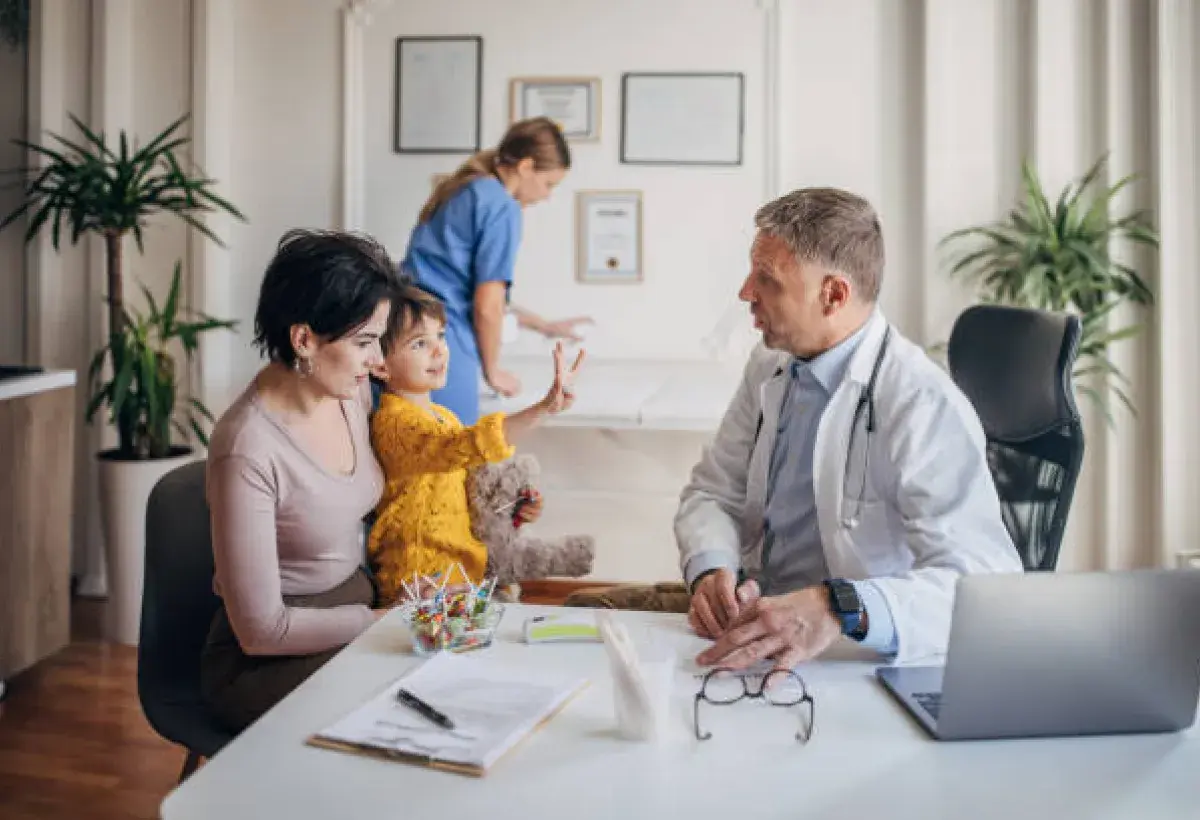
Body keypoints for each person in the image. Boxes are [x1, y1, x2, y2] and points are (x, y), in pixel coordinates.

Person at [677, 187, 1022, 671]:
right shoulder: (770, 364)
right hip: (754, 632)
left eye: (767, 279)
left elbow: (983, 586)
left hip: (853, 656)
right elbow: (714, 490)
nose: (745, 293)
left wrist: (840, 606)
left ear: (833, 294)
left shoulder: (921, 401)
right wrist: (712, 565)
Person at [201, 229, 397, 732]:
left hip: (356, 605)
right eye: (365, 342)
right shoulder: (247, 448)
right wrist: (381, 626)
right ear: (304, 338)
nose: (378, 361)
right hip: (268, 656)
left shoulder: (348, 392)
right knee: (405, 712)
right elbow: (262, 630)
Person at [367, 282, 585, 604]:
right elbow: (465, 445)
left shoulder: (442, 416)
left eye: (441, 336)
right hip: (419, 586)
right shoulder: (395, 423)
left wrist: (511, 510)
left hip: (461, 576)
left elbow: (471, 493)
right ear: (380, 364)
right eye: (419, 344)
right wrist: (541, 408)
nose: (439, 350)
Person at [399, 116, 592, 425]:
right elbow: (487, 305)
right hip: (443, 342)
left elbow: (460, 284)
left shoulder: (464, 189)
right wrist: (493, 370)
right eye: (548, 184)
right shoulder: (503, 207)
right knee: (452, 453)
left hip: (402, 335)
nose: (547, 195)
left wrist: (543, 325)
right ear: (526, 167)